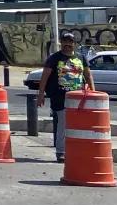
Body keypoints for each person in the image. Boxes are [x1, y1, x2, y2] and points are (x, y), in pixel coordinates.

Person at [36, 32, 95, 162]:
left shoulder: (81, 57)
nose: (67, 44)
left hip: (79, 98)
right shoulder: (54, 58)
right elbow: (45, 76)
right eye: (65, 41)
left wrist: (93, 92)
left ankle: (76, 149)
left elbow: (88, 75)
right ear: (61, 43)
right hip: (60, 96)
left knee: (78, 124)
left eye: (70, 42)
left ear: (74, 44)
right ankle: (61, 152)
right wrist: (41, 94)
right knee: (63, 123)